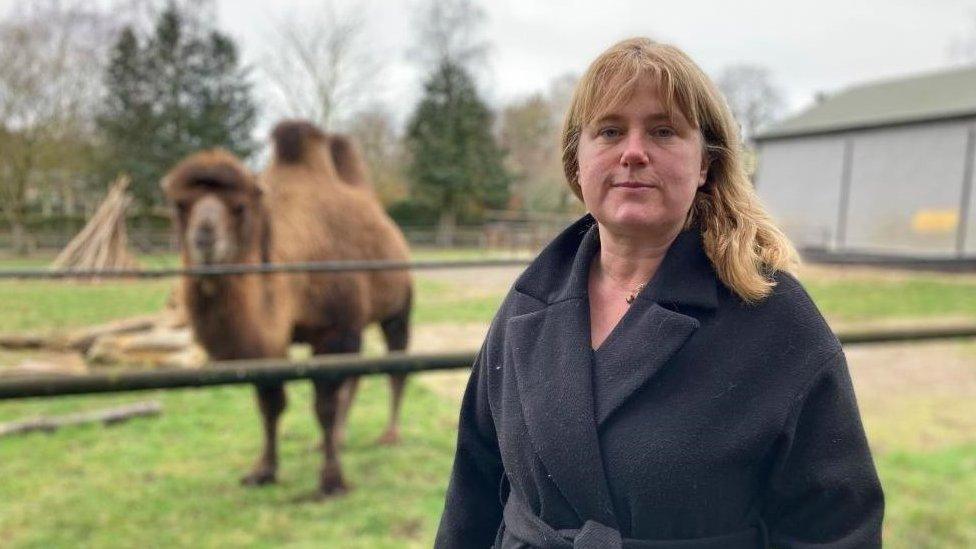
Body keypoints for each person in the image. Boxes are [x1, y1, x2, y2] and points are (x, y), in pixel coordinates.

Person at [434, 37, 883, 549]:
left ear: (705, 164)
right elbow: (473, 485)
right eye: (609, 130)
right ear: (577, 163)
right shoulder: (529, 304)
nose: (633, 152)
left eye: (664, 131)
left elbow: (837, 528)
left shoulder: (776, 320)